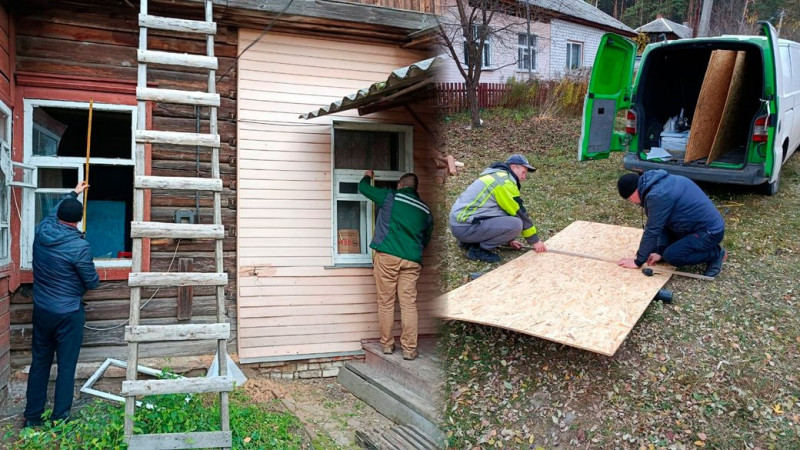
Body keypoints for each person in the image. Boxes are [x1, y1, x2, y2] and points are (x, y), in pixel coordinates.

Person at [24, 181, 99, 427]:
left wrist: (73, 193)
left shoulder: (42, 230)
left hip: (43, 310)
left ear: (59, 216)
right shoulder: (79, 246)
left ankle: (32, 418)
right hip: (68, 313)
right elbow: (92, 281)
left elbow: (51, 212)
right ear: (79, 220)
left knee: (40, 363)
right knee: (66, 367)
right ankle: (59, 419)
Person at [359, 170, 433, 361]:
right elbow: (426, 239)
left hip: (388, 256)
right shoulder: (425, 209)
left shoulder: (390, 197)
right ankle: (409, 349)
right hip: (412, 260)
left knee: (386, 302)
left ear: (400, 185)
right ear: (415, 188)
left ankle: (387, 345)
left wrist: (367, 175)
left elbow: (363, 188)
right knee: (409, 304)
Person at [616, 170, 727, 277]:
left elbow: (652, 230)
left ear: (633, 192)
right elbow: (662, 223)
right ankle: (666, 250)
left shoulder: (657, 196)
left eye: (630, 198)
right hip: (691, 226)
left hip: (710, 232)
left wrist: (638, 261)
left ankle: (715, 253)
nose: (632, 202)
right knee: (656, 250)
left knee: (672, 256)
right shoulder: (657, 183)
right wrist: (660, 251)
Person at [449, 154, 547, 263]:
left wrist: (509, 239)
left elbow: (500, 211)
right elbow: (519, 213)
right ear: (513, 167)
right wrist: (535, 241)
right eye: (523, 172)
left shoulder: (495, 176)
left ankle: (469, 241)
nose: (524, 177)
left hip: (460, 224)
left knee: (510, 218)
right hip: (465, 227)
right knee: (516, 224)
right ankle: (478, 250)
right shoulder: (504, 183)